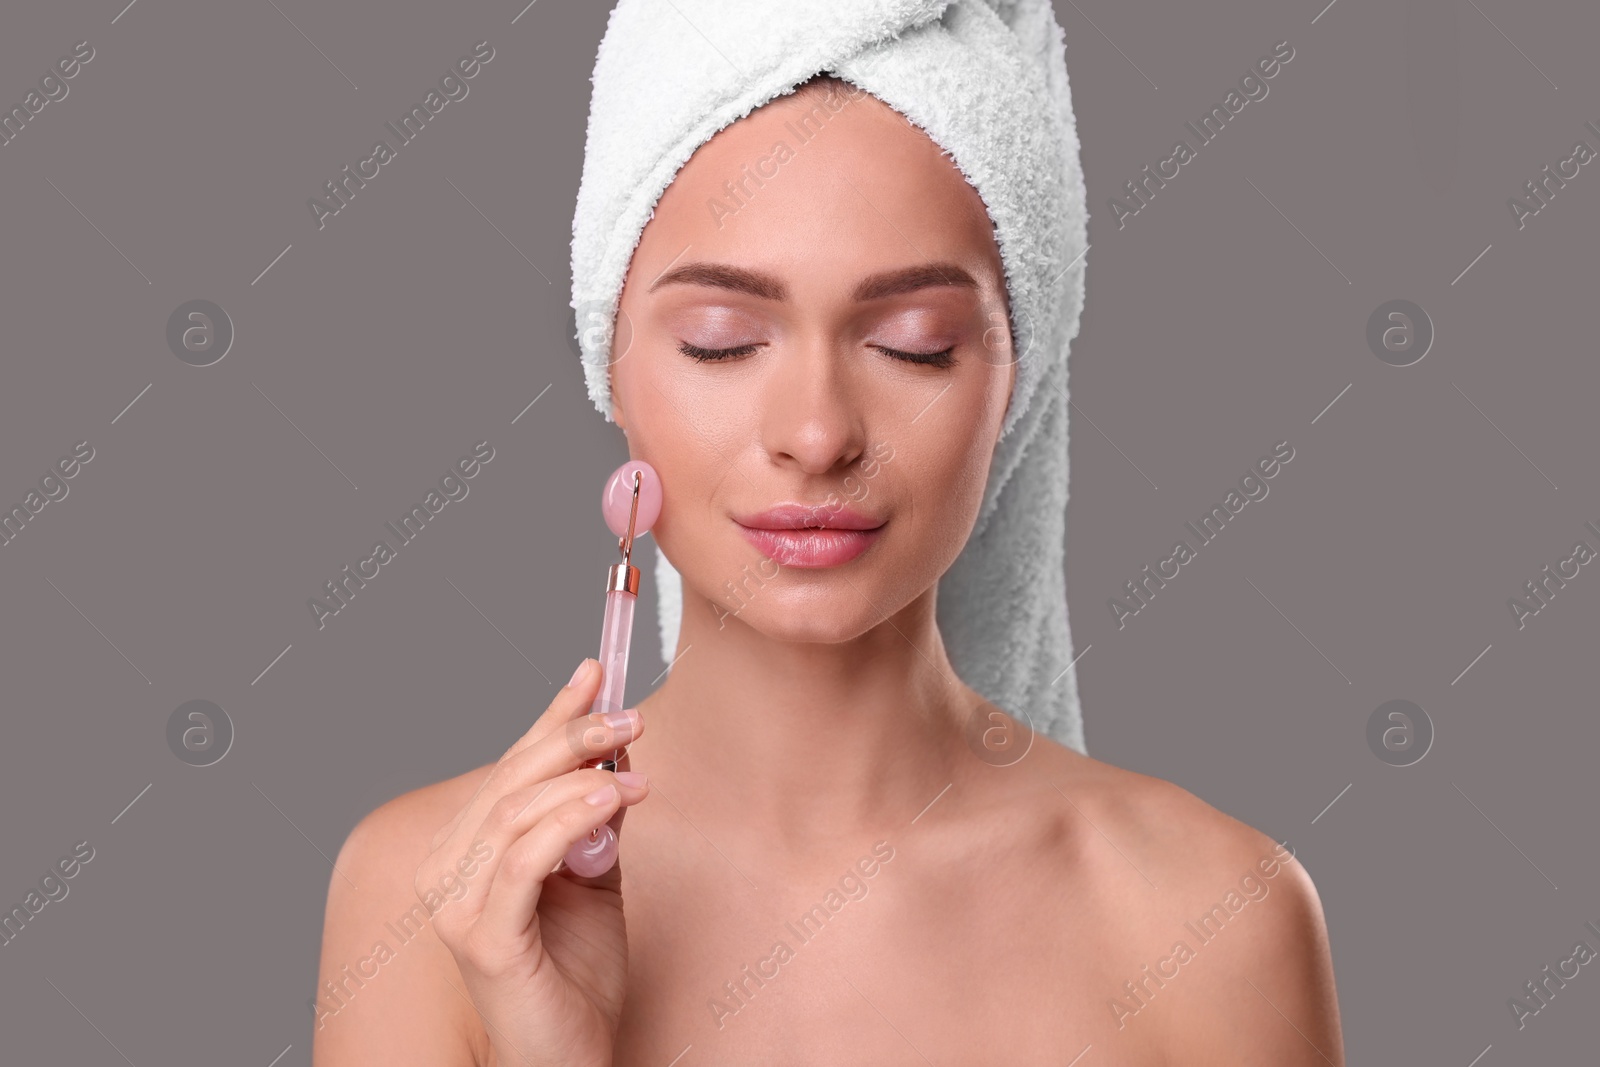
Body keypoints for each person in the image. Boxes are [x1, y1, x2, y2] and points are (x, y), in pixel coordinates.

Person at [312, 72, 1344, 1066]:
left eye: (914, 343)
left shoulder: (1212, 917)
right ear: (608, 364)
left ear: (1014, 384)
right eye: (721, 342)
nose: (816, 433)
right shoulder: (441, 896)